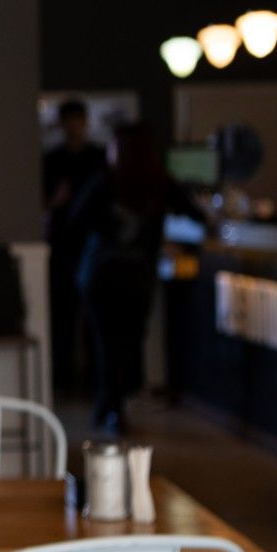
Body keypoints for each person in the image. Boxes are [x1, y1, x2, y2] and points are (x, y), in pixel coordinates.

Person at [69, 122, 200, 434]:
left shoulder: (106, 182)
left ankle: (108, 406)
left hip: (101, 275)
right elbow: (196, 214)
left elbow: (75, 218)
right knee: (127, 344)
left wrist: (104, 234)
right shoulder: (160, 183)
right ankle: (113, 406)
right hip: (137, 277)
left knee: (105, 344)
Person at [42, 98, 107, 395]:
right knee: (62, 317)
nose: (73, 127)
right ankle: (63, 380)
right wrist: (55, 203)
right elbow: (42, 203)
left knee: (96, 318)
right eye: (68, 121)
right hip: (62, 246)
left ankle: (96, 381)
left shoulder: (98, 158)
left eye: (77, 121)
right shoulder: (52, 160)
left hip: (93, 245)